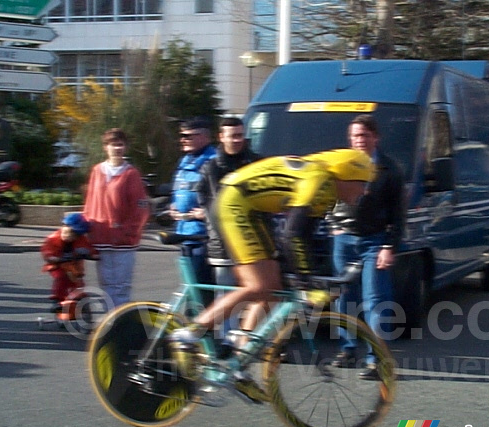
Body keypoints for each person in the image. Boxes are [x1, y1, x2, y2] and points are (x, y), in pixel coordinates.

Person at [168, 148, 376, 401]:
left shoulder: (329, 192)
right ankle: (190, 332)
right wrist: (306, 283)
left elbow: (303, 238)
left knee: (274, 289)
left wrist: (306, 276)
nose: (365, 192)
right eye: (362, 183)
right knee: (259, 286)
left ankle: (238, 364)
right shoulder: (319, 181)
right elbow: (292, 234)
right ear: (346, 176)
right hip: (233, 203)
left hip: (251, 209)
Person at [327, 114, 404, 380]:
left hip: (375, 241)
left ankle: (376, 360)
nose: (358, 141)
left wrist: (389, 246)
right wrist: (332, 223)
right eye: (354, 136)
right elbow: (327, 195)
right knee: (343, 297)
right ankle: (348, 349)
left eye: (363, 135)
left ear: (375, 137)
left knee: (375, 301)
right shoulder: (342, 164)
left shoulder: (389, 169)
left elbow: (398, 213)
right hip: (344, 239)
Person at [197, 117, 260, 336]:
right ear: (221, 137)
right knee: (225, 292)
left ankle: (252, 337)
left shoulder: (255, 163)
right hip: (223, 241)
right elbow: (203, 196)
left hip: (253, 239)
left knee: (259, 290)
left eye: (239, 135)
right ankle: (227, 339)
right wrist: (211, 221)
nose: (235, 140)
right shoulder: (210, 168)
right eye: (231, 135)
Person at [82, 128, 150, 309]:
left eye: (120, 144)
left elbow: (141, 207)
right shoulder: (97, 171)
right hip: (101, 235)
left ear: (125, 147)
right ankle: (108, 319)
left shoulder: (130, 174)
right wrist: (86, 224)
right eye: (113, 144)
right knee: (106, 283)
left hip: (124, 240)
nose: (117, 148)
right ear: (106, 147)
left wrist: (128, 231)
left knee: (121, 285)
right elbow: (90, 201)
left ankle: (119, 321)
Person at [170, 117, 216, 302]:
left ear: (204, 137)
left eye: (187, 136)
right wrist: (173, 206)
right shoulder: (186, 161)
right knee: (190, 287)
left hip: (203, 236)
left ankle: (205, 327)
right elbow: (180, 189)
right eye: (181, 135)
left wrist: (207, 213)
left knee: (202, 289)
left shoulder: (212, 162)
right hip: (184, 234)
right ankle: (193, 323)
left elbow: (222, 196)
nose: (182, 139)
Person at [41, 213, 99, 313]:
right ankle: (57, 299)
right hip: (58, 265)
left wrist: (93, 255)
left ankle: (80, 298)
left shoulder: (81, 240)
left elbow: (89, 248)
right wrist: (52, 257)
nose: (73, 237)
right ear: (64, 227)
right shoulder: (53, 239)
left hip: (73, 266)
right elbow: (47, 250)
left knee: (79, 281)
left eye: (76, 235)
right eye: (71, 233)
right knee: (61, 278)